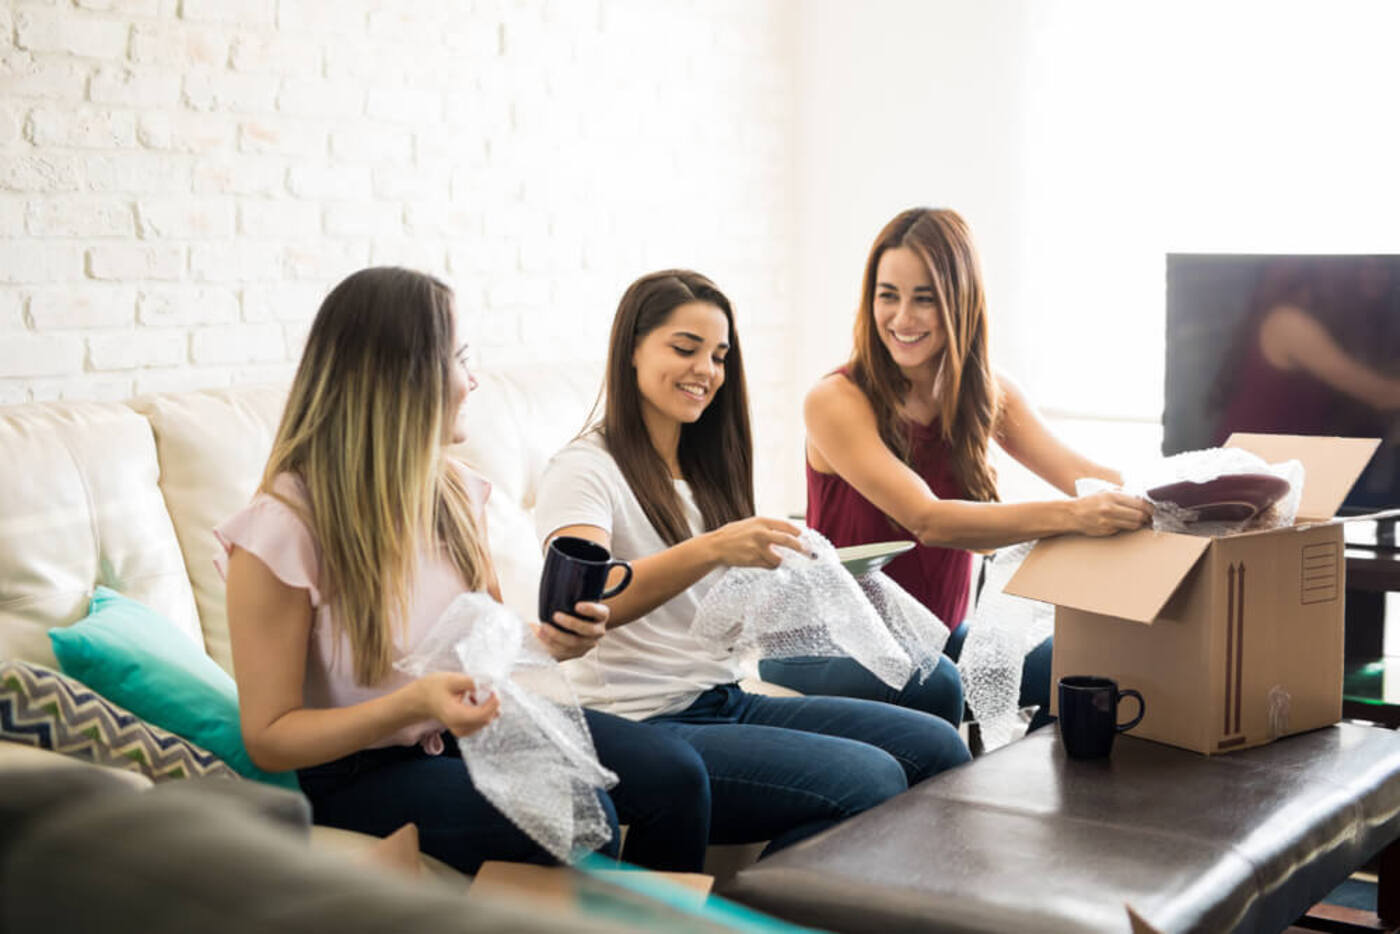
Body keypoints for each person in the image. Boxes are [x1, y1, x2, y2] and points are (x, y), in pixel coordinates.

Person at [216, 266, 711, 875]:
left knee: (677, 777)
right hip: (358, 772)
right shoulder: (281, 531)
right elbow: (269, 738)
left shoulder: (453, 493)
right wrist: (414, 702)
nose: (473, 380)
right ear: (402, 375)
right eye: (460, 358)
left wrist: (552, 644)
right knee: (583, 822)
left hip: (465, 727)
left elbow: (491, 645)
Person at [534, 269, 970, 856]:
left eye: (718, 356)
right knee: (873, 779)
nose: (706, 372)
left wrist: (800, 578)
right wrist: (714, 547)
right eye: (685, 349)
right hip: (644, 726)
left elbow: (717, 617)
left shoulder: (705, 472)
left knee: (940, 746)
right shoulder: (584, 469)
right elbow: (591, 597)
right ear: (631, 350)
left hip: (724, 699)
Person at [773, 207, 1152, 733]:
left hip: (933, 638)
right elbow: (928, 519)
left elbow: (1085, 475)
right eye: (889, 295)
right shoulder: (836, 400)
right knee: (941, 682)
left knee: (1084, 660)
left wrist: (1187, 498)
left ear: (961, 301)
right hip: (827, 643)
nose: (903, 318)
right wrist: (1075, 515)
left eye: (924, 298)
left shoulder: (985, 393)